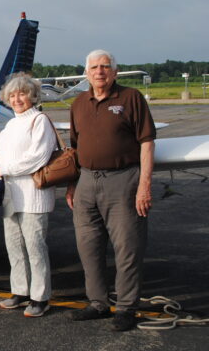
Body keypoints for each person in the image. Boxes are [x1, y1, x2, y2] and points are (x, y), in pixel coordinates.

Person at [66, 49, 156, 331]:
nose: (100, 71)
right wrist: (72, 184)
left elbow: (147, 142)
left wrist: (144, 185)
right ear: (86, 73)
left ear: (115, 72)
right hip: (87, 182)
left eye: (105, 66)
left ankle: (127, 307)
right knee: (88, 246)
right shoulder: (78, 103)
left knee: (128, 247)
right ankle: (98, 302)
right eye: (94, 67)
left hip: (123, 179)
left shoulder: (131, 98)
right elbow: (75, 148)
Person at [0, 73, 57, 317]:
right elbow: (0, 156)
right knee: (14, 246)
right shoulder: (9, 126)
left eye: (22, 94)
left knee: (35, 247)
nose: (17, 99)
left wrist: (5, 170)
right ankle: (20, 290)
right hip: (11, 195)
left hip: (33, 195)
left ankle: (41, 297)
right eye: (12, 95)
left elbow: (37, 158)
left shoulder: (38, 120)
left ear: (32, 95)